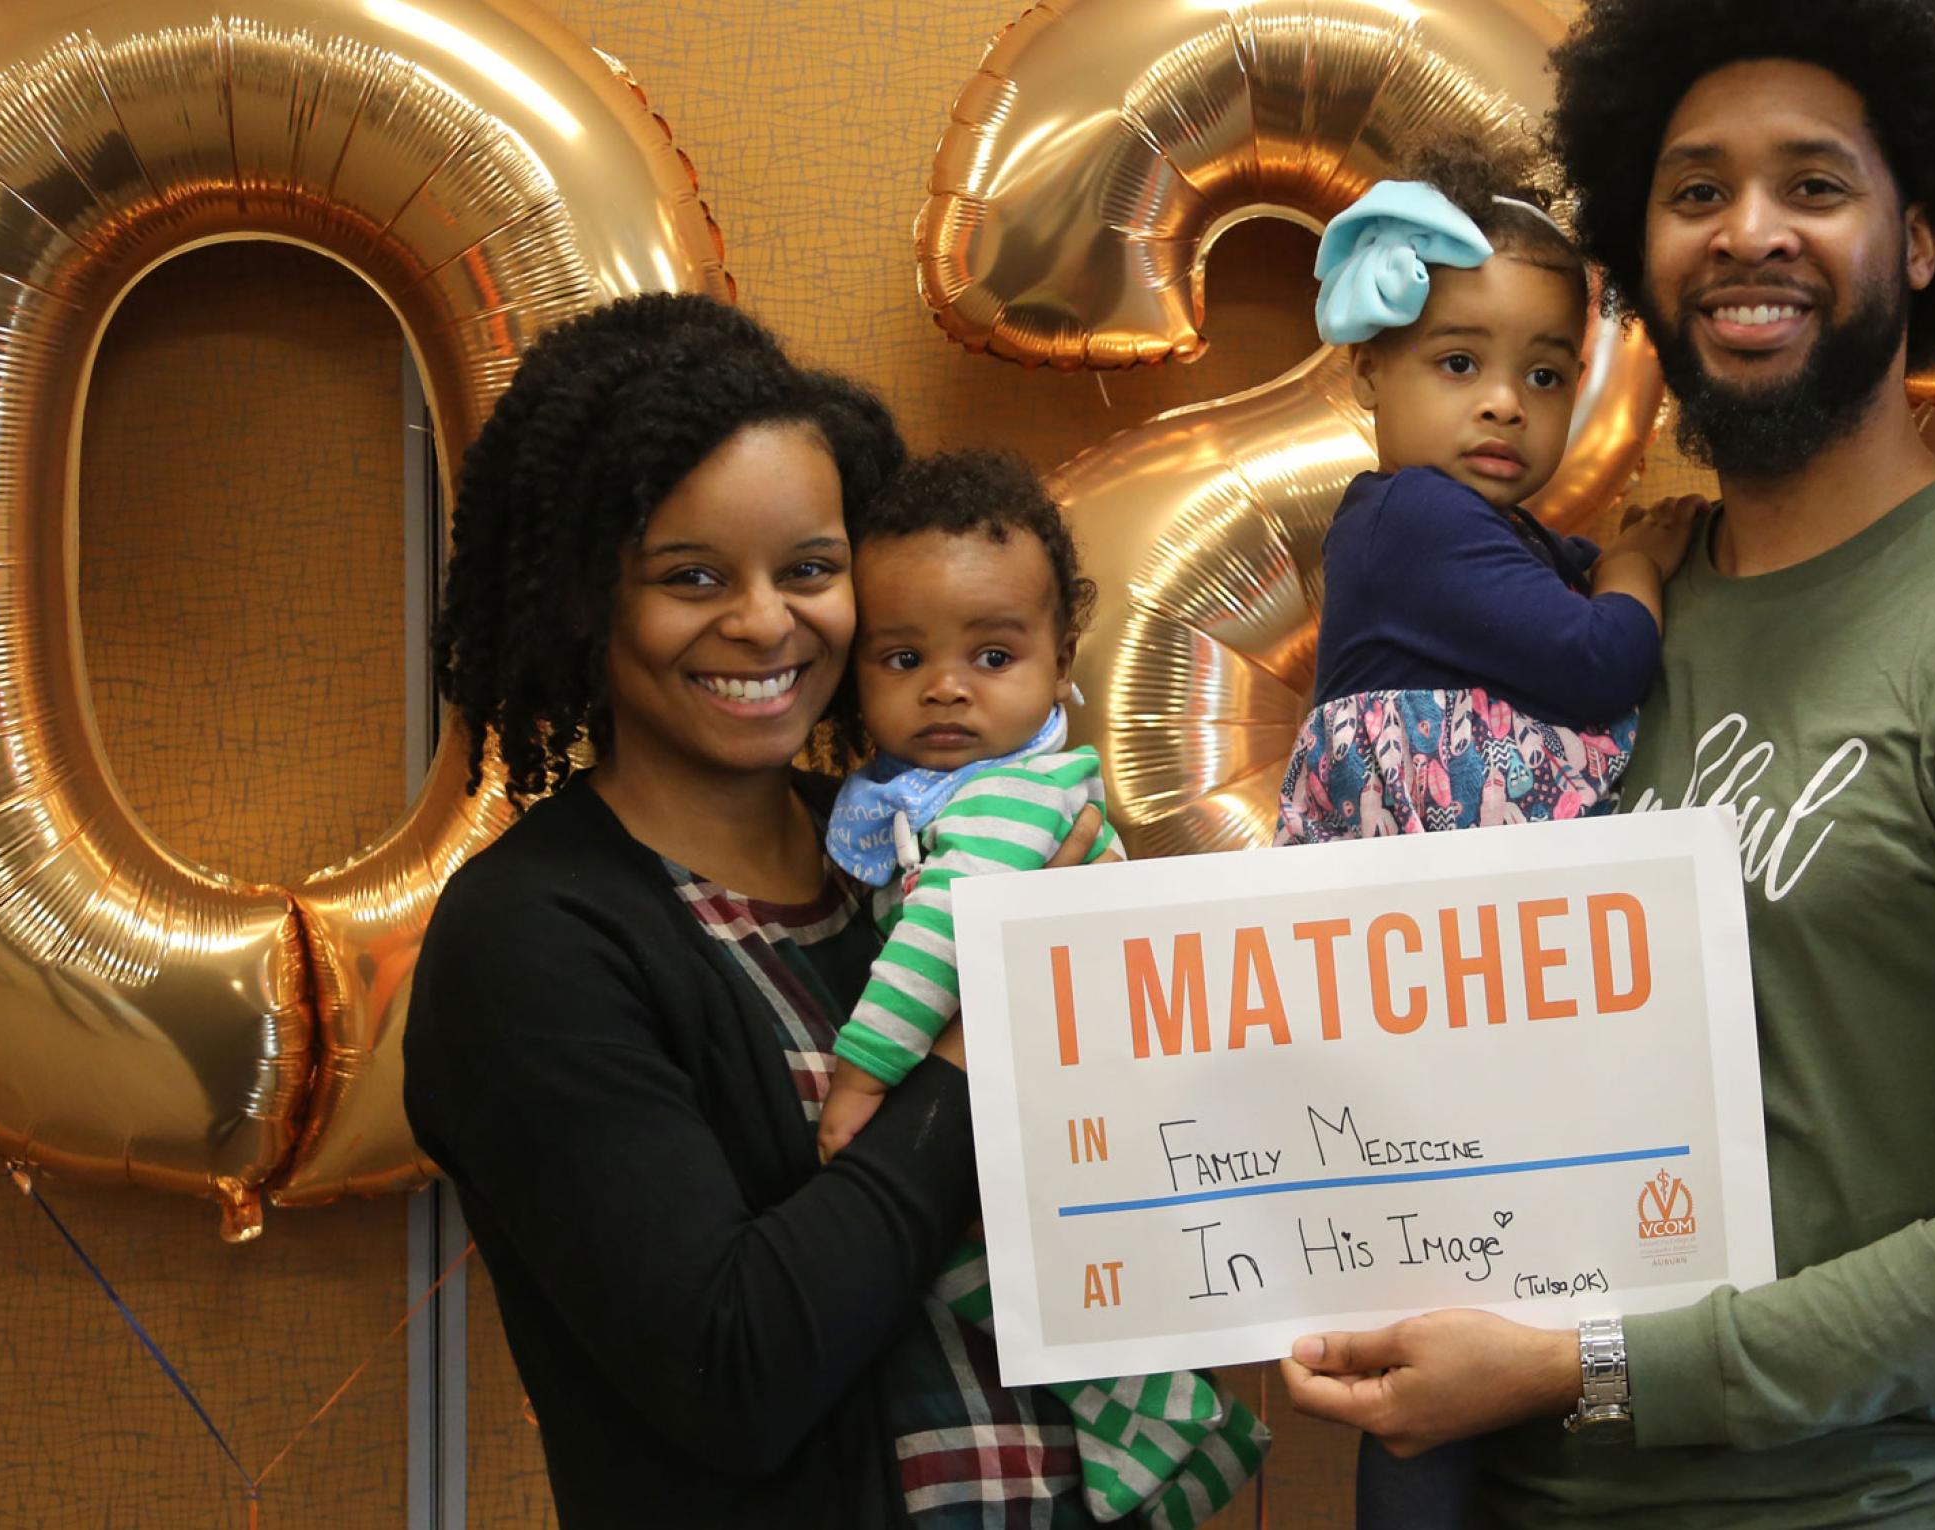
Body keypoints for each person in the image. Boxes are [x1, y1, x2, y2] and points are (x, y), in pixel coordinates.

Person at [1281, 2, 1935, 1526]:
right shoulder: (1574, 622)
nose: (1748, 233)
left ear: (1922, 239)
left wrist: (1579, 1363)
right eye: (1696, 191)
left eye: (1817, 185)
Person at [403, 294, 1108, 1528]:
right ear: (588, 600)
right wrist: (973, 1034)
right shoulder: (529, 941)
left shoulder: (913, 846)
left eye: (810, 570)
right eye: (691, 577)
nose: (766, 622)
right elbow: (734, 1370)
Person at [811, 447, 1266, 1526]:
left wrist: (862, 1080)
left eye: (993, 653)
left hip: (1060, 1096)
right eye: (902, 655)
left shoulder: (1012, 800)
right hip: (1045, 1094)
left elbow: (941, 941)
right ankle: (1153, 1421)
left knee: (962, 1262)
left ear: (1063, 655)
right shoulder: (937, 792)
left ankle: (1159, 1411)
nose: (946, 685)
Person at [1273, 138, 1700, 849]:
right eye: (1460, 362)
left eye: (1544, 376)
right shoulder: (1413, 519)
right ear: (1369, 369)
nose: (1505, 405)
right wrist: (1637, 565)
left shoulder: (1491, 532)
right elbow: (1600, 663)